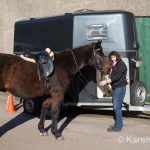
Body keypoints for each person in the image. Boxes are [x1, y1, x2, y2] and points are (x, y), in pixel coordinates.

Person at [100, 51, 127, 132]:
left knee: (117, 107)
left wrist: (106, 81)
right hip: (115, 88)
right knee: (117, 106)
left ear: (117, 57)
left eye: (114, 57)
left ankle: (118, 127)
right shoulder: (114, 65)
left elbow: (117, 76)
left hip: (119, 88)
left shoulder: (121, 65)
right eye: (111, 57)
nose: (112, 59)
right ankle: (119, 123)